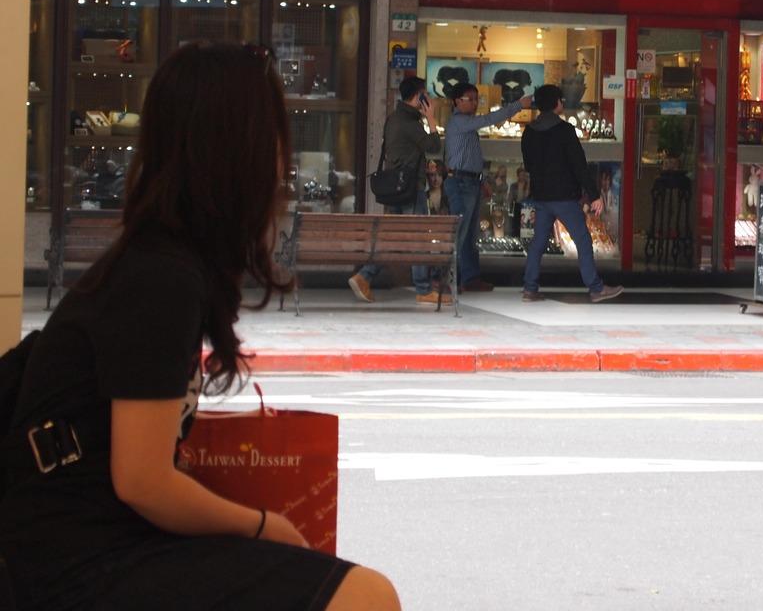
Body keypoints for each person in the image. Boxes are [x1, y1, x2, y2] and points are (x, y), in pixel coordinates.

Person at [0, 43, 399, 611]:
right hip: (75, 561)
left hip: (79, 541)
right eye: (274, 135)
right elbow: (142, 482)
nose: (283, 160)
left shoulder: (160, 261)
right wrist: (263, 525)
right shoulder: (160, 278)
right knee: (364, 596)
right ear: (235, 148)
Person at [520, 84, 623, 304]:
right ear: (557, 103)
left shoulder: (529, 132)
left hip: (541, 196)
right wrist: (593, 194)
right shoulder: (564, 130)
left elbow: (528, 165)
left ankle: (530, 288)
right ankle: (596, 288)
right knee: (583, 240)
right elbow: (579, 165)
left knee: (538, 243)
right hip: (564, 196)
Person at [348, 75, 446, 305]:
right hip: (410, 189)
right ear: (418, 97)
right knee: (418, 238)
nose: (429, 98)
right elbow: (434, 146)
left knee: (392, 238)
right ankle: (423, 289)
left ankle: (364, 276)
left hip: (396, 187)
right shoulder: (410, 123)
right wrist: (431, 117)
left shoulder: (394, 118)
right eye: (426, 94)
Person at [444, 82, 531, 292]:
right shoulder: (459, 122)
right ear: (457, 101)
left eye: (477, 99)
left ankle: (470, 277)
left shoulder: (466, 125)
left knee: (470, 235)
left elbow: (471, 156)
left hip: (471, 181)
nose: (475, 104)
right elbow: (488, 120)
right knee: (460, 233)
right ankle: (448, 280)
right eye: (470, 99)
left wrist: (481, 180)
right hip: (461, 183)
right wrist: (518, 105)